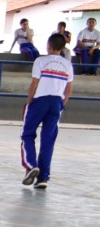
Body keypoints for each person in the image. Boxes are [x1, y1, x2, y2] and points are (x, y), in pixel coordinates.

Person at [21, 32, 74, 190]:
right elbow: (69, 88)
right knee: (48, 139)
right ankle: (43, 178)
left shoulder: (40, 61)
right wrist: (62, 103)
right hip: (56, 103)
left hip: (40, 101)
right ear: (62, 48)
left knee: (28, 134)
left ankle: (31, 166)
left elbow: (34, 83)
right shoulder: (68, 65)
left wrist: (29, 100)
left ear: (48, 46)